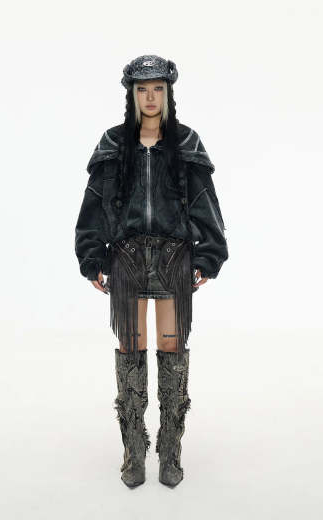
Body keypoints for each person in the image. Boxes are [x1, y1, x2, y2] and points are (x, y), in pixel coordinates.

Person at [74, 55, 229, 488]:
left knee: (172, 344)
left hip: (173, 257)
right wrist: (92, 254)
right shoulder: (112, 143)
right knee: (131, 345)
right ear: (131, 93)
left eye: (157, 88)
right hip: (125, 256)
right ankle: (134, 450)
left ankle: (171, 449)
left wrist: (208, 253)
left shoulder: (186, 142)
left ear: (168, 92)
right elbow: (93, 204)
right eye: (142, 89)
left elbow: (204, 200)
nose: (150, 97)